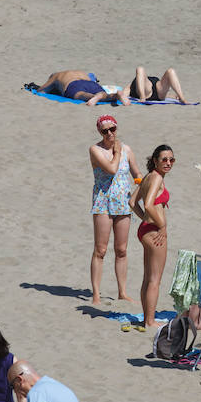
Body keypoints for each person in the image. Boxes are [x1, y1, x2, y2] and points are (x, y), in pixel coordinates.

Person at [89, 115, 137, 305]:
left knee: (121, 249)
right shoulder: (95, 150)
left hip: (123, 202)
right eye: (105, 131)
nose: (109, 133)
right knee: (100, 249)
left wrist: (141, 184)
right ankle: (96, 294)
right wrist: (116, 152)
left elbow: (136, 172)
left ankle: (122, 292)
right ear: (100, 132)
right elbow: (111, 169)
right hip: (103, 202)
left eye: (112, 129)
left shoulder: (127, 149)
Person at [129, 144, 175, 332]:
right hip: (155, 232)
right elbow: (147, 205)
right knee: (155, 279)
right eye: (164, 159)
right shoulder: (156, 178)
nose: (168, 163)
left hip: (145, 229)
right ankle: (150, 321)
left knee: (148, 277)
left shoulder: (148, 177)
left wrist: (146, 221)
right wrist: (161, 225)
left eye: (172, 159)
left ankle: (147, 318)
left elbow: (132, 202)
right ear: (155, 160)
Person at [38, 70, 131, 106]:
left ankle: (93, 97)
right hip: (90, 82)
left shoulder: (56, 76)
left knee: (81, 94)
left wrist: (54, 86)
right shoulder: (80, 71)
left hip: (73, 84)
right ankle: (116, 95)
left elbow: (41, 90)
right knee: (106, 96)